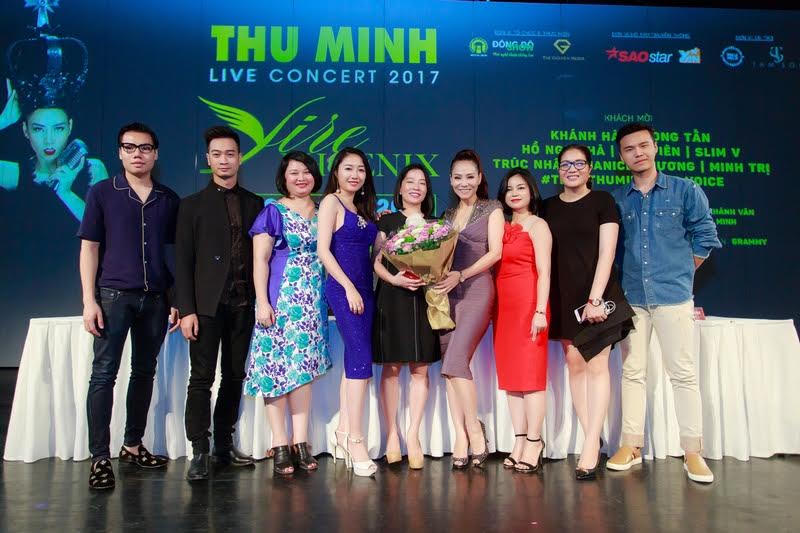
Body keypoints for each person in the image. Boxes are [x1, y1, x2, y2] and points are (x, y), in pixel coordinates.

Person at [607, 122, 721, 484]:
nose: (637, 153)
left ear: (655, 147)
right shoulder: (618, 199)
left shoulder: (685, 190)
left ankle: (693, 452)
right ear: (621, 156)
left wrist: (681, 272)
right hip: (632, 299)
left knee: (683, 374)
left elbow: (706, 236)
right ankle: (630, 445)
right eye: (629, 149)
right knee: (632, 372)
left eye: (643, 145)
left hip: (673, 297)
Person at [77, 122, 180, 490]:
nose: (138, 154)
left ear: (155, 153)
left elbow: (173, 254)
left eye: (145, 148)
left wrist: (174, 299)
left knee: (144, 372)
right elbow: (89, 248)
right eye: (130, 147)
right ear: (119, 152)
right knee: (104, 374)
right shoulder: (102, 192)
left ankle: (133, 446)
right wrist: (89, 300)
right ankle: (100, 457)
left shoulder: (168, 198)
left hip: (156, 299)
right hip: (114, 297)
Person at [176, 125, 263, 481]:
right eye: (217, 154)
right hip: (206, 307)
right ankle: (199, 450)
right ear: (207, 159)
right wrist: (187, 310)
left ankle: (224, 444)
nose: (224, 160)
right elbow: (182, 262)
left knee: (235, 376)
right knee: (201, 378)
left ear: (240, 158)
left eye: (230, 154)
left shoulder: (255, 203)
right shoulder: (191, 206)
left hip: (243, 305)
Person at [542, 144, 634, 480]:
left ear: (590, 169)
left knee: (597, 366)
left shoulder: (602, 201)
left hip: (598, 295)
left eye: (579, 163)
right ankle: (590, 436)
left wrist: (595, 299)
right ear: (558, 170)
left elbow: (608, 253)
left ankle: (591, 445)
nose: (572, 169)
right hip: (563, 296)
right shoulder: (547, 207)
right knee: (575, 365)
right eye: (565, 164)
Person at [243, 151, 331, 476]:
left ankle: (301, 441)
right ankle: (280, 442)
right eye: (294, 173)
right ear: (284, 177)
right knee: (276, 370)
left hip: (313, 305)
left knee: (303, 371)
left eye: (306, 172)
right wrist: (262, 302)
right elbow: (260, 260)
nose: (301, 178)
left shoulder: (323, 212)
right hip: (280, 302)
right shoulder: (273, 212)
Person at [435, 149, 504, 469]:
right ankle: (460, 437)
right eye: (458, 177)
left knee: (456, 360)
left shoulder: (492, 208)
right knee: (449, 368)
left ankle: (476, 430)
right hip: (447, 295)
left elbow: (495, 253)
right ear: (450, 180)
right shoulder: (447, 215)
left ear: (479, 178)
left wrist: (461, 275)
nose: (464, 182)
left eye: (469, 177)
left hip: (476, 290)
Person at [372, 164, 441, 470]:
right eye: (410, 181)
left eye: (422, 182)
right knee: (391, 367)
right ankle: (391, 435)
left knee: (420, 368)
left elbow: (442, 264)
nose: (416, 186)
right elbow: (376, 261)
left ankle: (413, 435)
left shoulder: (436, 225)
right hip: (393, 296)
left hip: (424, 300)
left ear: (427, 189)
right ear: (399, 188)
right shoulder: (387, 221)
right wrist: (395, 279)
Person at [317, 147, 380, 477]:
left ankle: (342, 432)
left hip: (366, 290)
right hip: (345, 290)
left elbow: (372, 250)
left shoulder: (362, 209)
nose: (355, 175)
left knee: (354, 360)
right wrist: (349, 287)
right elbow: (323, 251)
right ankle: (356, 439)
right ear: (336, 172)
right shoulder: (331, 202)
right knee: (360, 359)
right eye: (348, 168)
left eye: (361, 169)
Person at [493, 168, 552, 474]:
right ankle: (518, 441)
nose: (514, 193)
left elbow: (545, 271)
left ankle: (535, 441)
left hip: (530, 304)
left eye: (521, 188)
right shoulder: (500, 226)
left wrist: (540, 310)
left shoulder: (538, 225)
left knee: (531, 378)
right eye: (509, 189)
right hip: (503, 308)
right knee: (512, 379)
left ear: (531, 192)